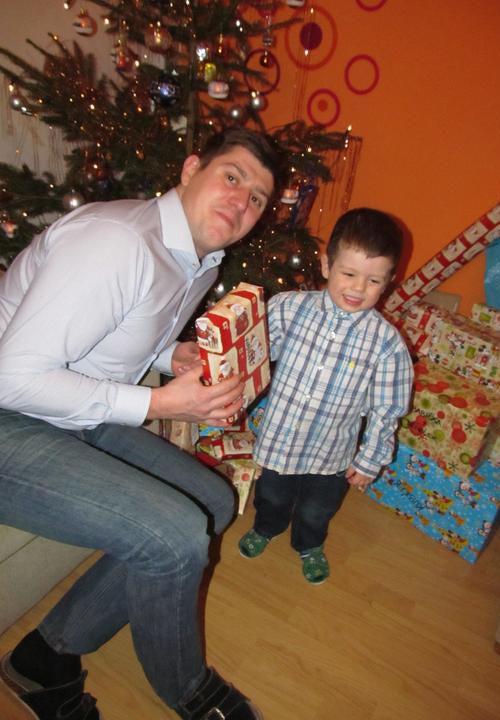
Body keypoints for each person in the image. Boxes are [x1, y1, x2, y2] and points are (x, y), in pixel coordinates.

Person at [0, 127, 280, 720]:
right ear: (191, 169)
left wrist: (172, 357)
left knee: (214, 501)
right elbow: (13, 378)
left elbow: (124, 330)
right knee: (175, 538)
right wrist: (158, 405)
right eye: (232, 177)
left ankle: (44, 657)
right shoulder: (117, 244)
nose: (241, 202)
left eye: (257, 197)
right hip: (10, 415)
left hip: (71, 410)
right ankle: (189, 690)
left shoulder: (198, 259)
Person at [238, 208, 414, 585]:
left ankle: (310, 544)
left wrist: (370, 459)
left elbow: (387, 410)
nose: (357, 289)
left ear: (389, 282)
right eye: (348, 274)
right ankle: (266, 526)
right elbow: (255, 354)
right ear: (326, 265)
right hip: (280, 441)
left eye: (373, 280)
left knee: (317, 510)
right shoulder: (289, 308)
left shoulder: (387, 345)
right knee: (271, 495)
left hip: (331, 454)